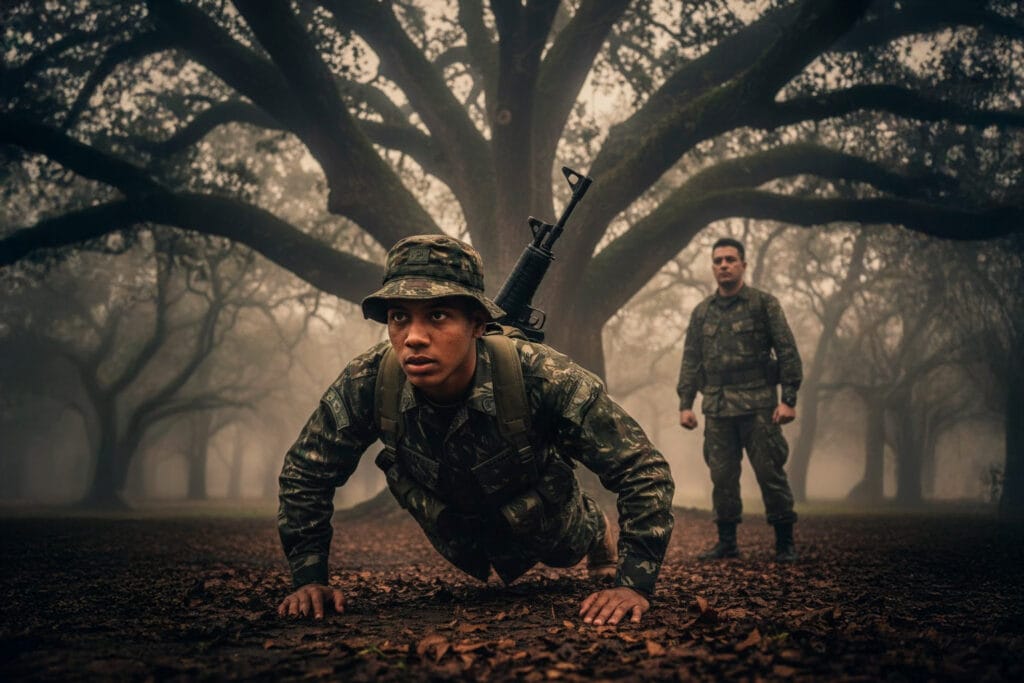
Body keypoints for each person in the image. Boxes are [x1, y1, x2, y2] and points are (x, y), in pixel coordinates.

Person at [277, 234, 675, 626]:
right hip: (453, 525)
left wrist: (633, 585)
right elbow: (305, 472)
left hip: (542, 514)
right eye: (399, 317)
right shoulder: (368, 381)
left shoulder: (543, 376)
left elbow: (642, 469)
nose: (414, 338)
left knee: (566, 547)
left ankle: (595, 529)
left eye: (437, 315)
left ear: (478, 324)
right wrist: (309, 580)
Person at [677, 237, 802, 563]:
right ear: (713, 267)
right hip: (717, 407)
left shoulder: (764, 304)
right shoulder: (702, 313)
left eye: (730, 260)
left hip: (759, 404)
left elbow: (787, 351)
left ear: (743, 265)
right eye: (718, 261)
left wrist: (788, 399)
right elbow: (691, 360)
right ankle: (727, 542)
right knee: (722, 477)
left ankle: (785, 543)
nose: (724, 266)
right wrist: (685, 404)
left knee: (770, 473)